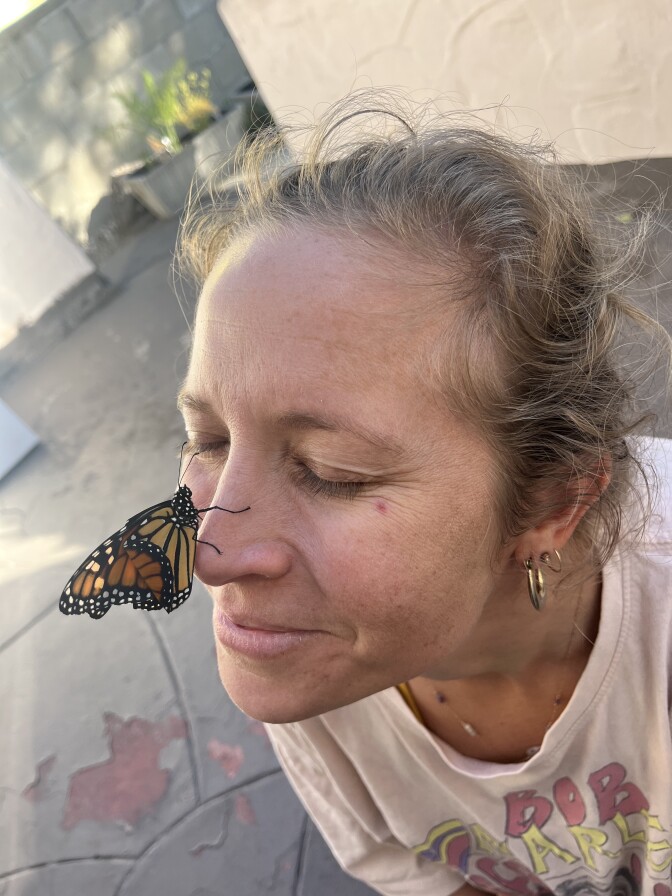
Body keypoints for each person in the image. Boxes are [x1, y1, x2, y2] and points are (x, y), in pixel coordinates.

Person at [175, 92, 672, 895]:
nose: (209, 555)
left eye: (332, 472)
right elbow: (412, 866)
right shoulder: (307, 648)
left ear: (551, 504)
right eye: (209, 440)